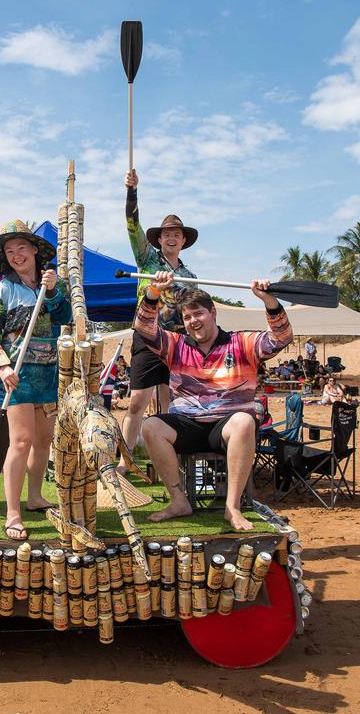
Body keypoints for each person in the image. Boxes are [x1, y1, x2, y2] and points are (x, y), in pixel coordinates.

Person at [136, 271, 293, 532]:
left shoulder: (242, 342)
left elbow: (280, 338)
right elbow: (143, 329)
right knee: (151, 426)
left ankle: (232, 508)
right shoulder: (175, 344)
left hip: (226, 425)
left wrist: (270, 302)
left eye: (198, 314)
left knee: (244, 422)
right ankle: (178, 501)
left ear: (213, 312)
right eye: (187, 317)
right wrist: (153, 294)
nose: (193, 321)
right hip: (187, 423)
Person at [0, 221, 72, 540]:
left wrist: (55, 290)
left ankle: (35, 497)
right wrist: (3, 367)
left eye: (21, 248)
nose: (16, 254)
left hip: (46, 374)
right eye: (10, 250)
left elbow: (65, 317)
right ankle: (13, 512)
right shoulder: (3, 289)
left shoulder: (48, 286)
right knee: (20, 441)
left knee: (43, 441)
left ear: (34, 250)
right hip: (14, 377)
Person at [119, 168, 198, 472]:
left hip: (179, 344)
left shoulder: (191, 277)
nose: (171, 237)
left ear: (183, 240)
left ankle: (169, 459)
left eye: (176, 234)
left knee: (172, 404)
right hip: (147, 336)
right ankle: (125, 463)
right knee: (138, 401)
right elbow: (131, 225)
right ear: (160, 238)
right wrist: (132, 192)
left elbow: (195, 313)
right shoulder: (147, 260)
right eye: (167, 233)